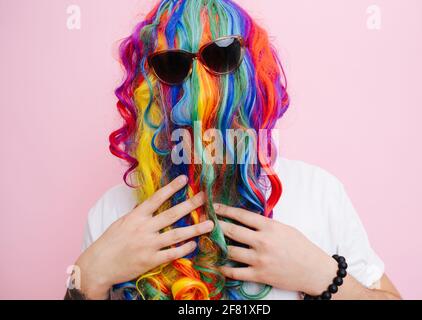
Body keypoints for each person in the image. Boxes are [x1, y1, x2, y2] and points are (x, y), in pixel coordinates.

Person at [65, 0, 401, 300]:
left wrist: (324, 277)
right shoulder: (111, 215)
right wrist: (88, 278)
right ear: (147, 86)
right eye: (172, 63)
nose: (200, 89)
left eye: (222, 54)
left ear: (255, 71)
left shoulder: (319, 194)